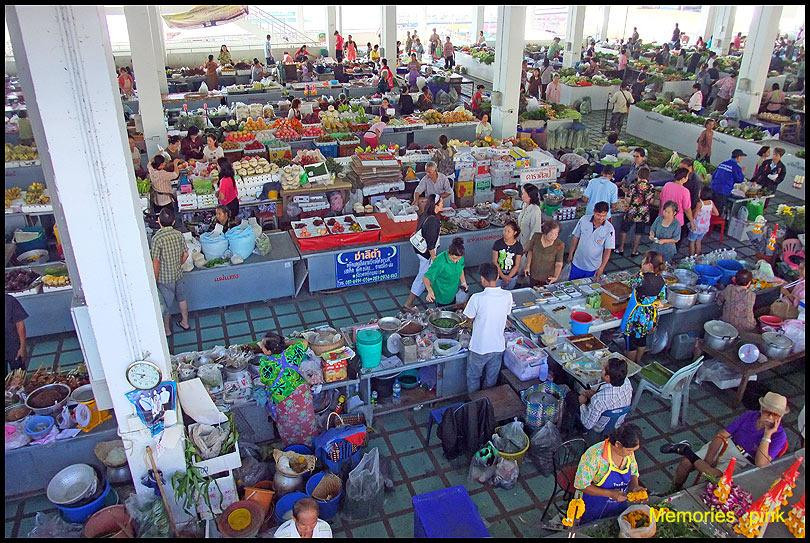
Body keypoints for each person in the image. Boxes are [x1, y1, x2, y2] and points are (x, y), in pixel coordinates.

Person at [662, 392, 789, 491]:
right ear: (761, 408)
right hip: (728, 445)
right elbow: (721, 435)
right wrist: (708, 460)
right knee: (685, 464)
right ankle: (674, 489)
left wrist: (767, 434)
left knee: (712, 476)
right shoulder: (749, 415)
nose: (771, 417)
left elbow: (761, 464)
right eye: (768, 412)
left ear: (781, 417)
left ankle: (685, 450)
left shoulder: (779, 436)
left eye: (776, 415)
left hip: (743, 461)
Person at [573, 424, 646, 524]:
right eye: (629, 450)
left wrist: (635, 486)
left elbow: (633, 471)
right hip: (595, 506)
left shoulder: (628, 452)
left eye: (633, 451)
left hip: (618, 504)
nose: (631, 454)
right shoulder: (594, 456)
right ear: (618, 444)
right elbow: (581, 485)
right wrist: (610, 494)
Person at [258, 332, 318, 447]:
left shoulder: (266, 364)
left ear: (268, 351)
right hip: (302, 395)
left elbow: (264, 380)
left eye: (263, 346)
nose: (261, 346)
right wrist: (286, 343)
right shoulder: (292, 352)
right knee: (307, 422)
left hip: (284, 401)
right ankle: (312, 447)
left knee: (289, 427)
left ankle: (294, 450)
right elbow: (304, 342)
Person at [463, 263, 512, 393]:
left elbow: (468, 319)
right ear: (497, 278)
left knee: (473, 378)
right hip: (498, 347)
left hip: (479, 347)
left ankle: (475, 404)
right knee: (491, 379)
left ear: (482, 279)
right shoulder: (507, 295)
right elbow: (505, 314)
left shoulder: (477, 298)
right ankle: (487, 404)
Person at [620, 251, 666, 364]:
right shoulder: (661, 280)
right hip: (648, 316)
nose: (641, 263)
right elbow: (661, 297)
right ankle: (638, 361)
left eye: (643, 261)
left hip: (635, 316)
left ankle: (630, 365)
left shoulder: (640, 278)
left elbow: (629, 284)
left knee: (630, 344)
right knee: (641, 340)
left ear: (649, 265)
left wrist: (640, 272)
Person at [150, 207, 190, 336]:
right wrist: (178, 264)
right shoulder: (178, 234)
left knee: (165, 306)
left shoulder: (157, 238)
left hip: (164, 279)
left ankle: (167, 330)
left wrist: (154, 280)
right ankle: (185, 322)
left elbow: (156, 261)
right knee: (182, 299)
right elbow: (185, 254)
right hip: (178, 274)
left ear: (158, 221)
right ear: (173, 222)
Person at [404, 194, 443, 310]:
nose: (442, 204)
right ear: (436, 205)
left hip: (420, 250)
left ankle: (433, 294)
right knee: (423, 277)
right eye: (441, 202)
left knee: (427, 275)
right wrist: (434, 258)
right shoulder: (433, 220)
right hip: (427, 254)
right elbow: (431, 243)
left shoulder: (424, 215)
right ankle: (408, 303)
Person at [579, 357, 634, 438]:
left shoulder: (598, 400)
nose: (601, 370)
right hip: (618, 422)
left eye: (603, 369)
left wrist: (582, 404)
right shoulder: (627, 382)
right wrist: (594, 394)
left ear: (607, 377)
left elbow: (588, 424)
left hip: (600, 427)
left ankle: (580, 431)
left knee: (572, 396)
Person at [568, 201, 615, 281]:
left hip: (593, 266)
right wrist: (570, 254)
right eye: (598, 215)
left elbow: (608, 250)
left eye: (604, 216)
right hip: (577, 262)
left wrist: (601, 268)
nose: (601, 218)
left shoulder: (609, 228)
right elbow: (576, 237)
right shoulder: (584, 220)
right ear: (594, 212)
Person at [616, 167, 654, 257]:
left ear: (638, 175)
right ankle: (634, 251)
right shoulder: (651, 187)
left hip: (632, 212)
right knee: (639, 232)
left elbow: (628, 200)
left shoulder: (633, 186)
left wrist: (626, 193)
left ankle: (621, 248)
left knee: (624, 230)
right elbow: (651, 201)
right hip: (643, 213)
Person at [423, 237, 468, 308]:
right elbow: (426, 278)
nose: (455, 261)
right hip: (441, 292)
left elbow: (460, 269)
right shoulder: (440, 262)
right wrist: (430, 291)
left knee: (452, 307)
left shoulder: (460, 258)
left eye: (458, 259)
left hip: (453, 290)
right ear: (449, 253)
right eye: (454, 258)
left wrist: (463, 282)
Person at [524, 220, 564, 287]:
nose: (554, 236)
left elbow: (559, 263)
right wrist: (527, 266)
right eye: (551, 234)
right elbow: (530, 251)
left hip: (548, 278)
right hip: (534, 273)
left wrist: (556, 276)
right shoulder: (536, 237)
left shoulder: (559, 244)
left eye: (556, 234)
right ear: (545, 232)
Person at [717, 269, 757, 333]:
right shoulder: (752, 295)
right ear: (749, 283)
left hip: (729, 325)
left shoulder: (729, 288)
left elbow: (719, 301)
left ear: (734, 280)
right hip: (748, 327)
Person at [711, 149, 747, 214]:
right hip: (723, 191)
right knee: (718, 210)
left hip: (713, 188)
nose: (742, 159)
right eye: (741, 157)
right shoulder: (736, 167)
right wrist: (742, 172)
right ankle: (716, 223)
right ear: (738, 157)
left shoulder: (722, 164)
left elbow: (713, 175)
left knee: (711, 207)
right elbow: (739, 180)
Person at [491, 221, 523, 290]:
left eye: (508, 231)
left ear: (515, 233)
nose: (505, 233)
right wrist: (502, 276)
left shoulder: (518, 246)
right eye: (504, 230)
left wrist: (509, 277)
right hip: (498, 276)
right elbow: (494, 261)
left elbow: (517, 265)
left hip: (512, 277)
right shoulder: (498, 243)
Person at [689, 187, 718, 256]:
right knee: (699, 241)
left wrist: (691, 215)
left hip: (696, 226)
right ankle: (698, 256)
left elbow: (695, 216)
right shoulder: (711, 203)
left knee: (692, 242)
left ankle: (691, 257)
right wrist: (709, 213)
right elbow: (717, 213)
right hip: (705, 226)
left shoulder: (700, 204)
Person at [6, 293, 28, 372]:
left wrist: (22, 347)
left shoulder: (9, 300)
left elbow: (20, 325)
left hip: (13, 347)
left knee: (19, 376)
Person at [517, 183, 542, 251]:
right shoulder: (525, 205)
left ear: (530, 196)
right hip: (520, 242)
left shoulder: (535, 211)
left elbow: (535, 233)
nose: (521, 195)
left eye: (523, 193)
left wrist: (525, 249)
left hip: (528, 247)